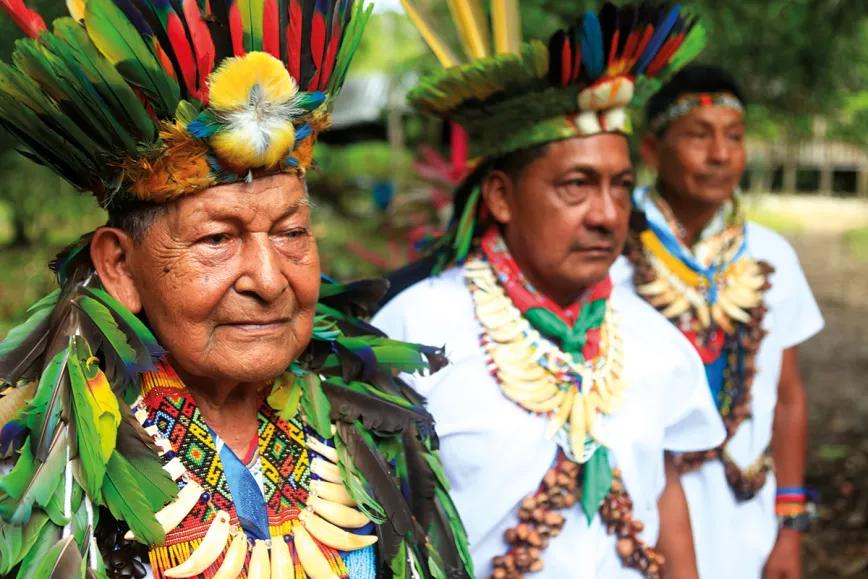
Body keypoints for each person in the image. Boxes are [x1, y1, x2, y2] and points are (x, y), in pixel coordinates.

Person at [0, 2, 472, 578]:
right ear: (120, 266)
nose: (269, 281)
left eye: (291, 233)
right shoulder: (34, 467)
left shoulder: (376, 426)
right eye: (218, 239)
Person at [375, 2, 724, 578]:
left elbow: (664, 496)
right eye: (577, 185)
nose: (607, 215)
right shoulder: (413, 333)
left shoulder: (655, 341)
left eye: (621, 186)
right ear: (501, 196)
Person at [613, 64, 824, 579]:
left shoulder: (772, 256)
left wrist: (789, 527)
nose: (720, 154)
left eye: (734, 136)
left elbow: (789, 398)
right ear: (651, 150)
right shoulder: (610, 254)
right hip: (638, 514)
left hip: (745, 516)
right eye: (698, 135)